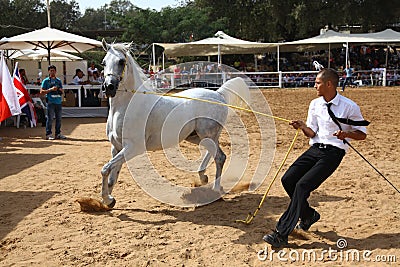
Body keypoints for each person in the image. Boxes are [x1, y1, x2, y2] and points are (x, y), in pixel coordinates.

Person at [263, 68, 368, 247]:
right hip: (315, 149)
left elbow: (362, 134)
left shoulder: (349, 106)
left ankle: (281, 233)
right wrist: (302, 126)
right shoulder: (314, 104)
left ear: (329, 84)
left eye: (317, 83)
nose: (314, 85)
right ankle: (308, 215)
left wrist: (346, 134)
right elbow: (312, 133)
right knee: (288, 180)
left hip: (333, 153)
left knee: (302, 186)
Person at [40, 65, 66, 140]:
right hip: (50, 102)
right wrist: (51, 89)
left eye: (53, 70)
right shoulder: (46, 81)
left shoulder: (58, 81)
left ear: (56, 71)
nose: (52, 72)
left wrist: (60, 90)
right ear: (48, 71)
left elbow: (62, 90)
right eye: (51, 70)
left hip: (58, 101)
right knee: (50, 118)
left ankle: (58, 133)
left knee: (59, 119)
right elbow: (41, 92)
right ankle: (48, 134)